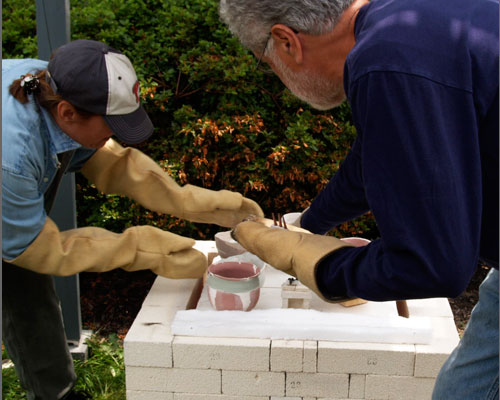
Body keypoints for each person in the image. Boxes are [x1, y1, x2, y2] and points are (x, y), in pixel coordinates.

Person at [219, 0, 499, 398]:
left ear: (285, 42)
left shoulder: (386, 60)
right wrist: (308, 225)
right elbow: (376, 156)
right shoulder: (403, 22)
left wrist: (313, 263)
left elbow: (435, 264)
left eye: (265, 63)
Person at [2, 39, 263, 400]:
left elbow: (110, 159)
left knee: (27, 286)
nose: (116, 134)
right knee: (21, 266)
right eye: (111, 124)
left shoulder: (51, 84)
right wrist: (140, 249)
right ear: (66, 113)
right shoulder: (12, 159)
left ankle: (56, 394)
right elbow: (34, 249)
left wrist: (187, 201)